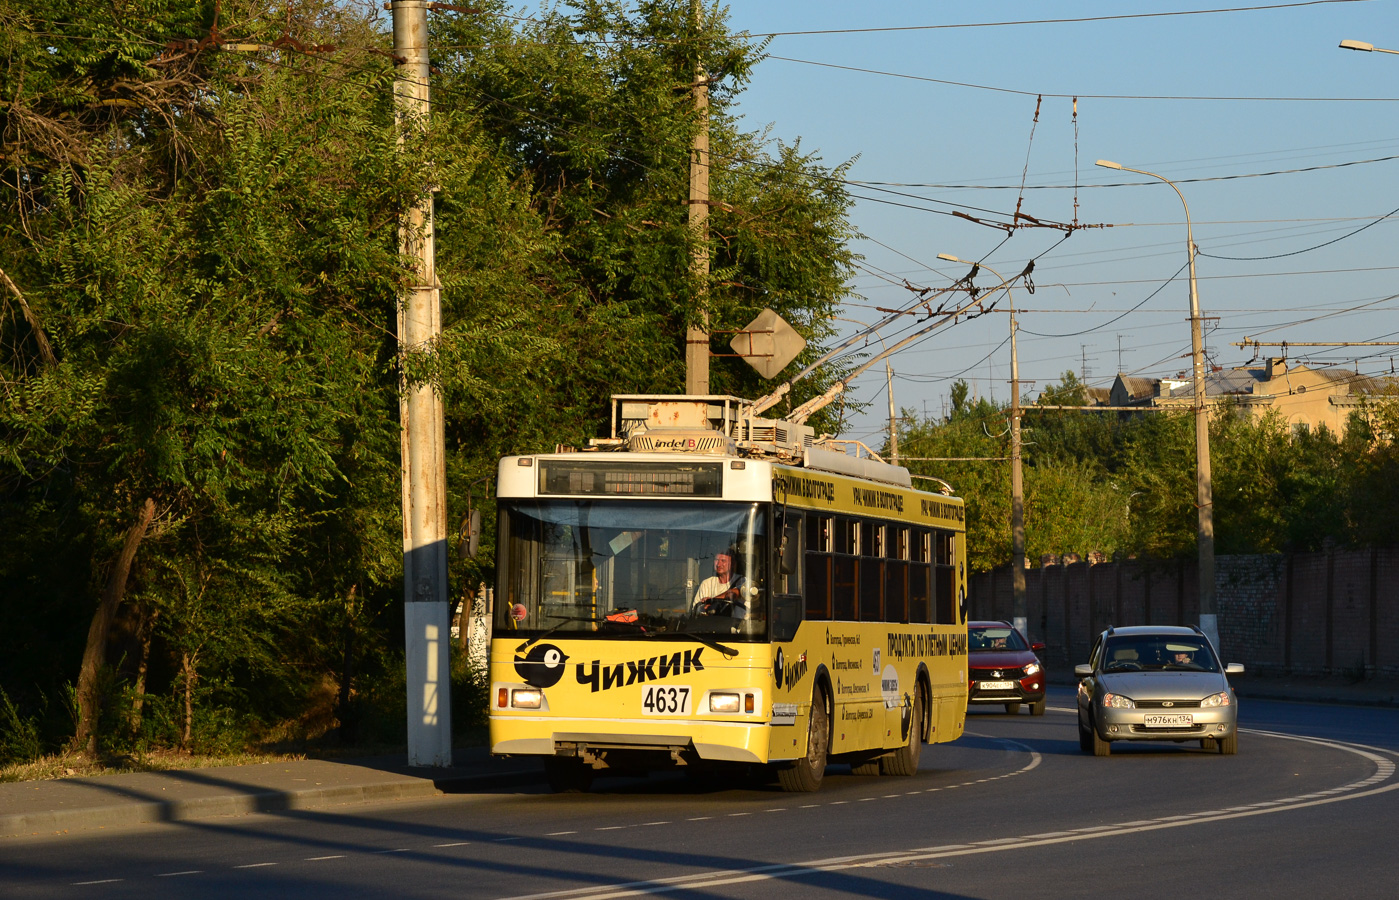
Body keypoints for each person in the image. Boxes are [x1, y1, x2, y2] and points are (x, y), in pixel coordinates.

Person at [692, 550, 746, 616]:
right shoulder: (707, 583)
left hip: (736, 624)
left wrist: (712, 602)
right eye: (716, 560)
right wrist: (703, 607)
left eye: (723, 561)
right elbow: (696, 608)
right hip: (711, 624)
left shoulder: (743, 581)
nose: (718, 564)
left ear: (733, 563)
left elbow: (732, 594)